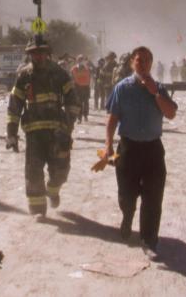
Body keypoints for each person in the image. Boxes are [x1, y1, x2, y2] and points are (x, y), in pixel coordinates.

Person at [104, 47, 178, 254]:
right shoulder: (122, 88)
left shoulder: (159, 88)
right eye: (139, 60)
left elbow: (171, 113)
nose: (143, 64)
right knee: (126, 195)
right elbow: (112, 120)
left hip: (153, 149)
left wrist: (155, 93)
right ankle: (127, 216)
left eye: (147, 60)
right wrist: (108, 146)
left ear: (151, 64)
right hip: (129, 148)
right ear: (132, 63)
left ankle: (149, 239)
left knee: (153, 197)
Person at [6, 37, 79, 217]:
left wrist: (67, 128)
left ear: (48, 53)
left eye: (41, 53)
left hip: (57, 132)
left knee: (61, 169)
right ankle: (38, 209)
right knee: (33, 172)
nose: (38, 56)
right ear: (30, 54)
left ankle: (53, 190)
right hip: (34, 133)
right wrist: (11, 133)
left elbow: (73, 102)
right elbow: (15, 105)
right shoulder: (24, 76)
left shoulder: (61, 74)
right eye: (34, 53)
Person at [70, 55, 92, 123]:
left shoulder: (87, 69)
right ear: (77, 61)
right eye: (80, 60)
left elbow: (90, 77)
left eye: (82, 60)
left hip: (86, 87)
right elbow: (72, 78)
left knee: (86, 102)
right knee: (78, 103)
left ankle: (85, 116)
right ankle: (79, 118)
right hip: (78, 88)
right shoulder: (73, 69)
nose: (81, 61)